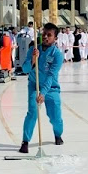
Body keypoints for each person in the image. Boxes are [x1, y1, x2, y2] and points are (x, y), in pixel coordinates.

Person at [18, 23, 64, 154]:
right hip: (34, 85)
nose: (45, 37)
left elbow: (51, 76)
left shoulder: (57, 55)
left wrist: (43, 93)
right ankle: (25, 141)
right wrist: (33, 59)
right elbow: (25, 69)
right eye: (44, 34)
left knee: (55, 117)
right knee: (32, 112)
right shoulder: (33, 49)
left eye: (49, 35)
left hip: (51, 88)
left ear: (55, 38)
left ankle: (58, 134)